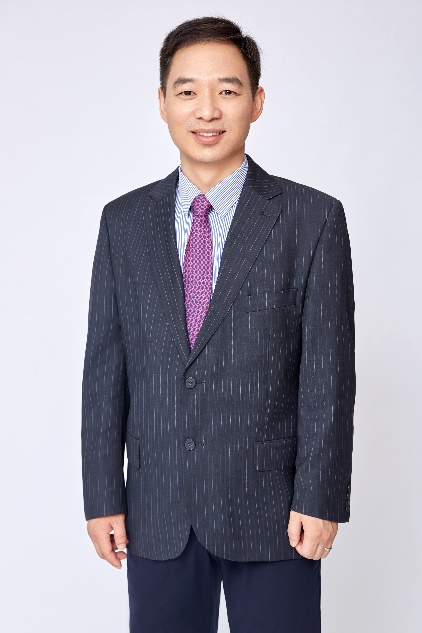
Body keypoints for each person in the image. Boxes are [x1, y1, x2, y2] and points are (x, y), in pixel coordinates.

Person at [81, 15, 356, 633]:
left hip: (274, 511)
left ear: (256, 102)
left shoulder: (311, 218)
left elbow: (329, 373)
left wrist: (320, 495)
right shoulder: (123, 222)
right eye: (188, 91)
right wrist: (102, 496)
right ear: (162, 103)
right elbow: (105, 369)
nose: (207, 110)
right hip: (157, 508)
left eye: (227, 90)